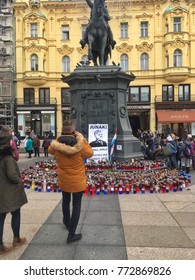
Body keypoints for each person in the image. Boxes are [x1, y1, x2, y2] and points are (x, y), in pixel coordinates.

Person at [48, 119, 94, 243]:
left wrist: (59, 138)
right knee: (77, 205)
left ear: (62, 130)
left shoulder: (57, 142)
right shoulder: (79, 143)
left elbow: (50, 150)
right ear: (73, 130)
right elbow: (90, 153)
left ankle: (67, 222)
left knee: (65, 200)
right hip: (77, 179)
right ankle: (71, 234)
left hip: (64, 179)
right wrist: (82, 139)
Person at [0, 130, 28, 256]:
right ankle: (16, 239)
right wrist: (19, 181)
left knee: (0, 218)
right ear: (9, 142)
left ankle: (0, 246)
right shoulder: (7, 157)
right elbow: (12, 175)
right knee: (16, 213)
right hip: (9, 192)